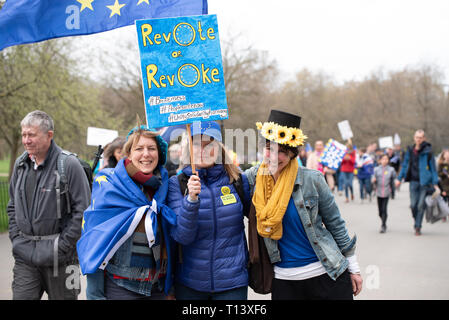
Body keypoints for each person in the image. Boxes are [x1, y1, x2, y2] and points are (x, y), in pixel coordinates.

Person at [247, 109, 362, 300]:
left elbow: (335, 224)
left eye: (282, 151)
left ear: (293, 154)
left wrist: (354, 268)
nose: (274, 157)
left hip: (326, 275)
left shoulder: (312, 179)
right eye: (270, 148)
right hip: (284, 283)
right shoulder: (253, 179)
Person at [77, 125, 177, 300]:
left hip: (158, 288)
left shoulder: (167, 187)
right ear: (129, 154)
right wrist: (95, 294)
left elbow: (174, 239)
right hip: (121, 287)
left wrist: (172, 288)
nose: (146, 154)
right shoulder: (110, 185)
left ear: (159, 155)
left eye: (151, 148)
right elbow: (96, 241)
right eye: (139, 148)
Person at [7, 110, 91, 300]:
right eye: (24, 135)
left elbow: (83, 211)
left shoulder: (69, 165)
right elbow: (12, 205)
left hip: (64, 261)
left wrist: (63, 247)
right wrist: (16, 238)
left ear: (49, 135)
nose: (26, 140)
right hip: (25, 258)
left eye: (31, 135)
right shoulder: (20, 165)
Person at [167, 121, 250, 300]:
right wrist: (191, 200)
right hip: (191, 285)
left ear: (219, 148)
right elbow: (183, 236)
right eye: (197, 144)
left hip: (232, 284)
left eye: (209, 144)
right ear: (189, 148)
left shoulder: (237, 181)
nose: (203, 150)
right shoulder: (177, 183)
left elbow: (260, 216)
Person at [396, 130, 439, 236]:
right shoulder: (410, 150)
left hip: (424, 182)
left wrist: (435, 182)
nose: (418, 139)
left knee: (420, 206)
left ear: (424, 138)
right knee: (413, 205)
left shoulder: (428, 151)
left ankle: (418, 226)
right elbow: (405, 165)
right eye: (417, 137)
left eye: (420, 137)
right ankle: (416, 221)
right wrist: (399, 178)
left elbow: (433, 168)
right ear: (414, 138)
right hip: (413, 181)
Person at [372, 154, 396, 233]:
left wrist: (393, 193)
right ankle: (383, 220)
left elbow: (392, 182)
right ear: (380, 160)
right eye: (383, 159)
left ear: (388, 160)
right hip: (378, 192)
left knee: (384, 209)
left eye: (386, 159)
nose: (384, 161)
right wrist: (373, 181)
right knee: (380, 211)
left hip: (386, 192)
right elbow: (372, 181)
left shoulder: (391, 170)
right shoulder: (376, 169)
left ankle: (383, 225)